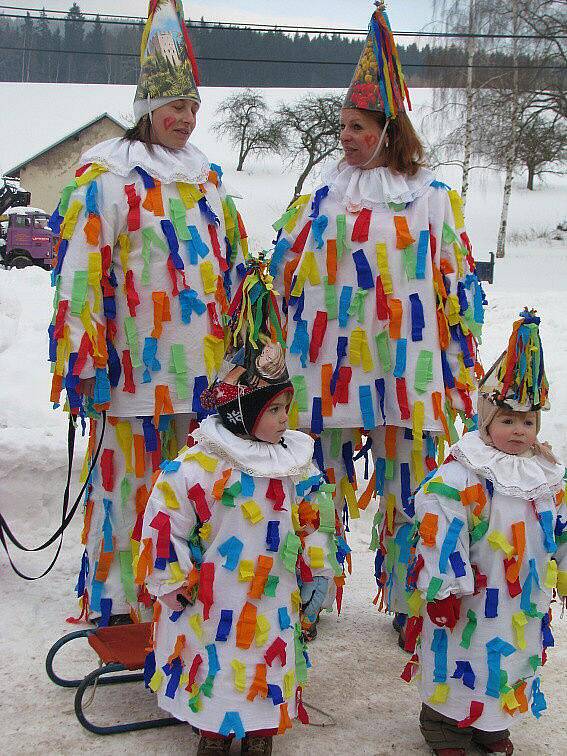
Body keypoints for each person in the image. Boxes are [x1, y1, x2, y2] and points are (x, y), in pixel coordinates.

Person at [270, 1, 484, 632]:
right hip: (328, 370)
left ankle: (410, 600)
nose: (346, 137)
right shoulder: (321, 198)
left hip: (404, 372)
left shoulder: (432, 202)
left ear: (388, 130)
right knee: (319, 486)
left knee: (408, 493)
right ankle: (311, 594)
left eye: (357, 126)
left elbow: (456, 289)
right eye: (342, 126)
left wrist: (457, 368)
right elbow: (284, 275)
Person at [48, 0, 247, 625]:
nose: (185, 119)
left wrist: (245, 342)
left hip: (202, 378)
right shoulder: (106, 178)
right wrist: (84, 359)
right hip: (130, 376)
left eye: (192, 107)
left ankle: (184, 613)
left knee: (192, 495)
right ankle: (122, 611)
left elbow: (234, 266)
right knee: (128, 491)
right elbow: (79, 274)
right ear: (145, 110)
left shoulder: (208, 180)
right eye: (174, 107)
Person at [140, 255, 337, 755]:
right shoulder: (203, 465)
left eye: (285, 408)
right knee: (215, 662)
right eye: (272, 410)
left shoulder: (295, 463)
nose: (282, 419)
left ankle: (258, 732)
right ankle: (212, 728)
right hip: (213, 598)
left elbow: (314, 520)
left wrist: (317, 569)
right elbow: (166, 519)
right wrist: (169, 578)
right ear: (239, 412)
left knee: (266, 661)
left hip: (274, 597)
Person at [403, 310, 566, 756]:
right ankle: (444, 725)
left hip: (521, 603)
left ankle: (493, 723)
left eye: (529, 422)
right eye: (508, 420)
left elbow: (561, 529)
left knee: (510, 658)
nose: (520, 431)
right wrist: (442, 588)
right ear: (486, 421)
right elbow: (441, 525)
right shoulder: (463, 474)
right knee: (461, 657)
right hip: (470, 596)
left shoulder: (549, 476)